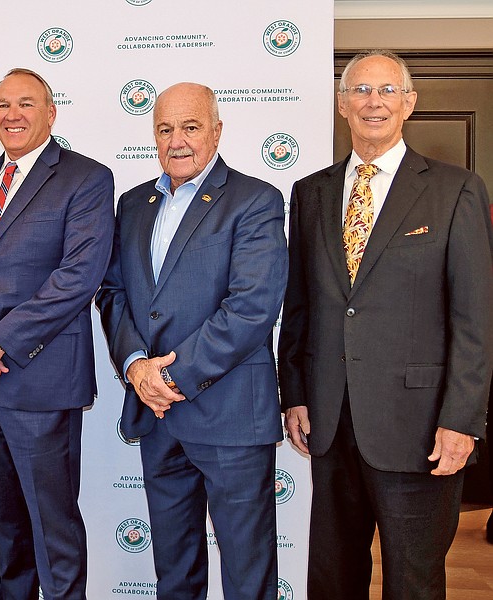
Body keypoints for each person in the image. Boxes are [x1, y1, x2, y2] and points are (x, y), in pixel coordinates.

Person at [278, 49, 493, 600]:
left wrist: (462, 420)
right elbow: (299, 305)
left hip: (418, 427)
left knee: (414, 581)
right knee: (331, 578)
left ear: (409, 103)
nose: (373, 102)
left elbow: (474, 319)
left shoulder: (456, 190)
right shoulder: (310, 192)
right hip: (330, 423)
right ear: (342, 103)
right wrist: (294, 394)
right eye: (361, 90)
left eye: (387, 90)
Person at [96, 82, 287, 600]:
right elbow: (113, 293)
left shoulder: (255, 200)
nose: (176, 140)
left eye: (190, 126)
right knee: (174, 573)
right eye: (164, 129)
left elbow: (251, 308)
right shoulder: (133, 203)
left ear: (217, 131)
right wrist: (137, 366)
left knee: (248, 575)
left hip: (229, 417)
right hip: (158, 418)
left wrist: (169, 377)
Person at [0, 67, 114, 600]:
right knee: (7, 525)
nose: (12, 115)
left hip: (41, 381)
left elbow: (78, 277)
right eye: (2, 104)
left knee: (53, 529)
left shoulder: (86, 178)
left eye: (26, 104)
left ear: (51, 113)